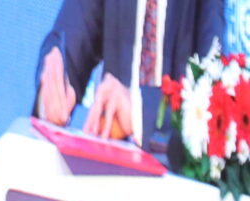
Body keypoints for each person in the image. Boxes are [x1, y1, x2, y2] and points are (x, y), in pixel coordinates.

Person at [34, 0, 223, 147]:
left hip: (173, 169)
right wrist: (53, 90)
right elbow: (70, 39)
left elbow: (214, 93)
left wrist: (139, 112)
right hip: (106, 159)